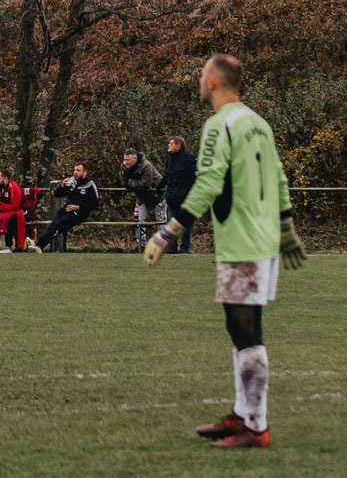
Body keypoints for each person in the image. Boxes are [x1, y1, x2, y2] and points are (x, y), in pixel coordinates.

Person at [145, 53, 308, 450]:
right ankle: (243, 413)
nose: (199, 80)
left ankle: (255, 425)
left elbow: (209, 183)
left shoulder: (219, 124)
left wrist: (168, 231)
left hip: (243, 241)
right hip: (263, 238)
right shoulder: (258, 123)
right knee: (239, 327)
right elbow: (279, 178)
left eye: (202, 74)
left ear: (214, 81)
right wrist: (286, 230)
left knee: (247, 329)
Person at [35, 162, 100, 252]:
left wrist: (78, 207)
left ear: (85, 173)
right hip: (66, 210)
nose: (75, 172)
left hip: (79, 213)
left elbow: (95, 204)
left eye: (78, 170)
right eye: (74, 170)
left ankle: (37, 244)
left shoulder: (90, 185)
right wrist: (63, 186)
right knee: (54, 224)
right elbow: (57, 194)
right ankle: (39, 247)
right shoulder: (72, 183)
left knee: (59, 225)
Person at [121, 146, 167, 251]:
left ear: (135, 158)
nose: (126, 162)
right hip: (141, 197)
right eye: (124, 159)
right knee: (139, 220)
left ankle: (161, 246)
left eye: (128, 160)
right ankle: (141, 245)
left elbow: (145, 183)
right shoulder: (123, 167)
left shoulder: (146, 165)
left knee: (161, 221)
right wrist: (134, 184)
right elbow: (124, 183)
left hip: (158, 195)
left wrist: (131, 182)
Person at [164, 135, 198, 254]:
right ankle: (172, 248)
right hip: (172, 197)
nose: (169, 145)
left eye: (171, 143)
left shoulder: (189, 158)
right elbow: (166, 175)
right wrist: (158, 185)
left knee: (185, 224)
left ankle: (184, 248)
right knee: (171, 223)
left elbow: (196, 174)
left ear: (178, 145)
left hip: (185, 197)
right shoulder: (170, 158)